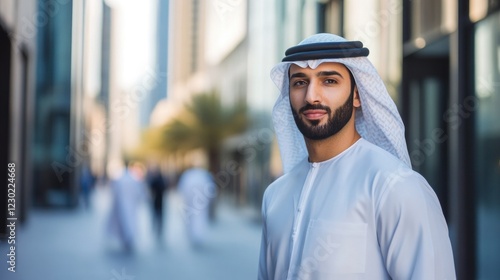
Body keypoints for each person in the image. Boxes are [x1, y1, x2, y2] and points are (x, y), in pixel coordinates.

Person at [258, 33, 456, 279]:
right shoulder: (275, 195)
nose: (311, 96)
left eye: (329, 81)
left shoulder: (394, 187)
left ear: (357, 95)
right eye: (300, 82)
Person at [107, 161, 148, 252]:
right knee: (130, 221)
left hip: (123, 204)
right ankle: (129, 238)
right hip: (131, 204)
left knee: (124, 221)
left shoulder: (120, 179)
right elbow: (140, 192)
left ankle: (127, 239)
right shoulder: (133, 179)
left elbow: (114, 191)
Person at [177, 155, 217, 248]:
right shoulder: (203, 175)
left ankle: (194, 236)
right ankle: (197, 236)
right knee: (199, 218)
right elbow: (211, 189)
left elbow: (182, 188)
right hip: (200, 201)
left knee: (192, 218)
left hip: (192, 200)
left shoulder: (188, 175)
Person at [146, 165, 168, 239]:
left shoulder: (155, 181)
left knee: (156, 216)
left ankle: (156, 229)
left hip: (157, 201)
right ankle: (159, 229)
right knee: (159, 216)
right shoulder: (160, 181)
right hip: (159, 201)